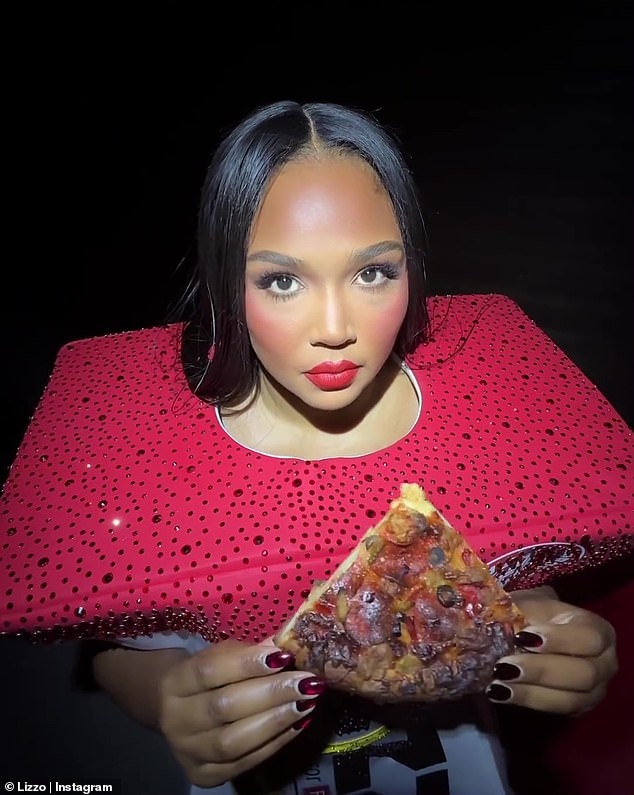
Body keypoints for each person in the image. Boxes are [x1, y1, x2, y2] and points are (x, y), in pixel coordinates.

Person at [83, 100, 621, 795]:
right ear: (224, 282)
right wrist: (167, 696)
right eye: (281, 280)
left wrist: (546, 631)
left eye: (372, 273)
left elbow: (513, 566)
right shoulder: (161, 462)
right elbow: (113, 647)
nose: (336, 327)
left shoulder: (485, 420)